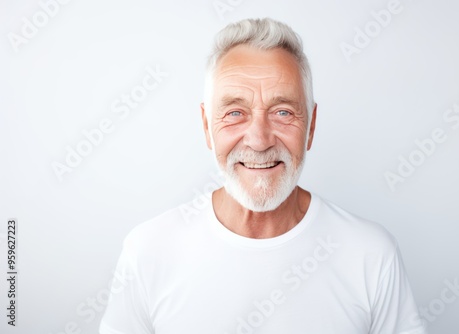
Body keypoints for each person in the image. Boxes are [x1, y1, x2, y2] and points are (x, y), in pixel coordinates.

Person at [100, 18, 427, 334]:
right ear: (206, 127)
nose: (259, 140)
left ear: (311, 126)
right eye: (234, 113)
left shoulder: (371, 254)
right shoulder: (148, 250)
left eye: (283, 112)